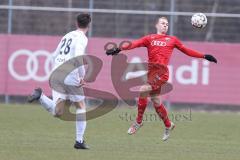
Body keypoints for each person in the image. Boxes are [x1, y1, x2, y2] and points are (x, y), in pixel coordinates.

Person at [106, 16, 217, 141]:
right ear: (156, 25)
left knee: (144, 89)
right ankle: (168, 125)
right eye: (163, 23)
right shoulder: (149, 38)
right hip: (151, 73)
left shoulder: (172, 40)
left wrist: (204, 56)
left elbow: (187, 51)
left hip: (162, 73)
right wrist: (119, 49)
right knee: (156, 101)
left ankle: (138, 122)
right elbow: (134, 44)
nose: (165, 25)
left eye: (167, 24)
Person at [28, 13, 91, 149]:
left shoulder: (67, 36)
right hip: (70, 73)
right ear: (89, 25)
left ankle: (41, 97)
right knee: (81, 106)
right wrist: (82, 75)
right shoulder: (82, 38)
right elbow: (78, 57)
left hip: (56, 73)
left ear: (76, 23)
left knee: (58, 112)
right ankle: (79, 141)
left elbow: (54, 55)